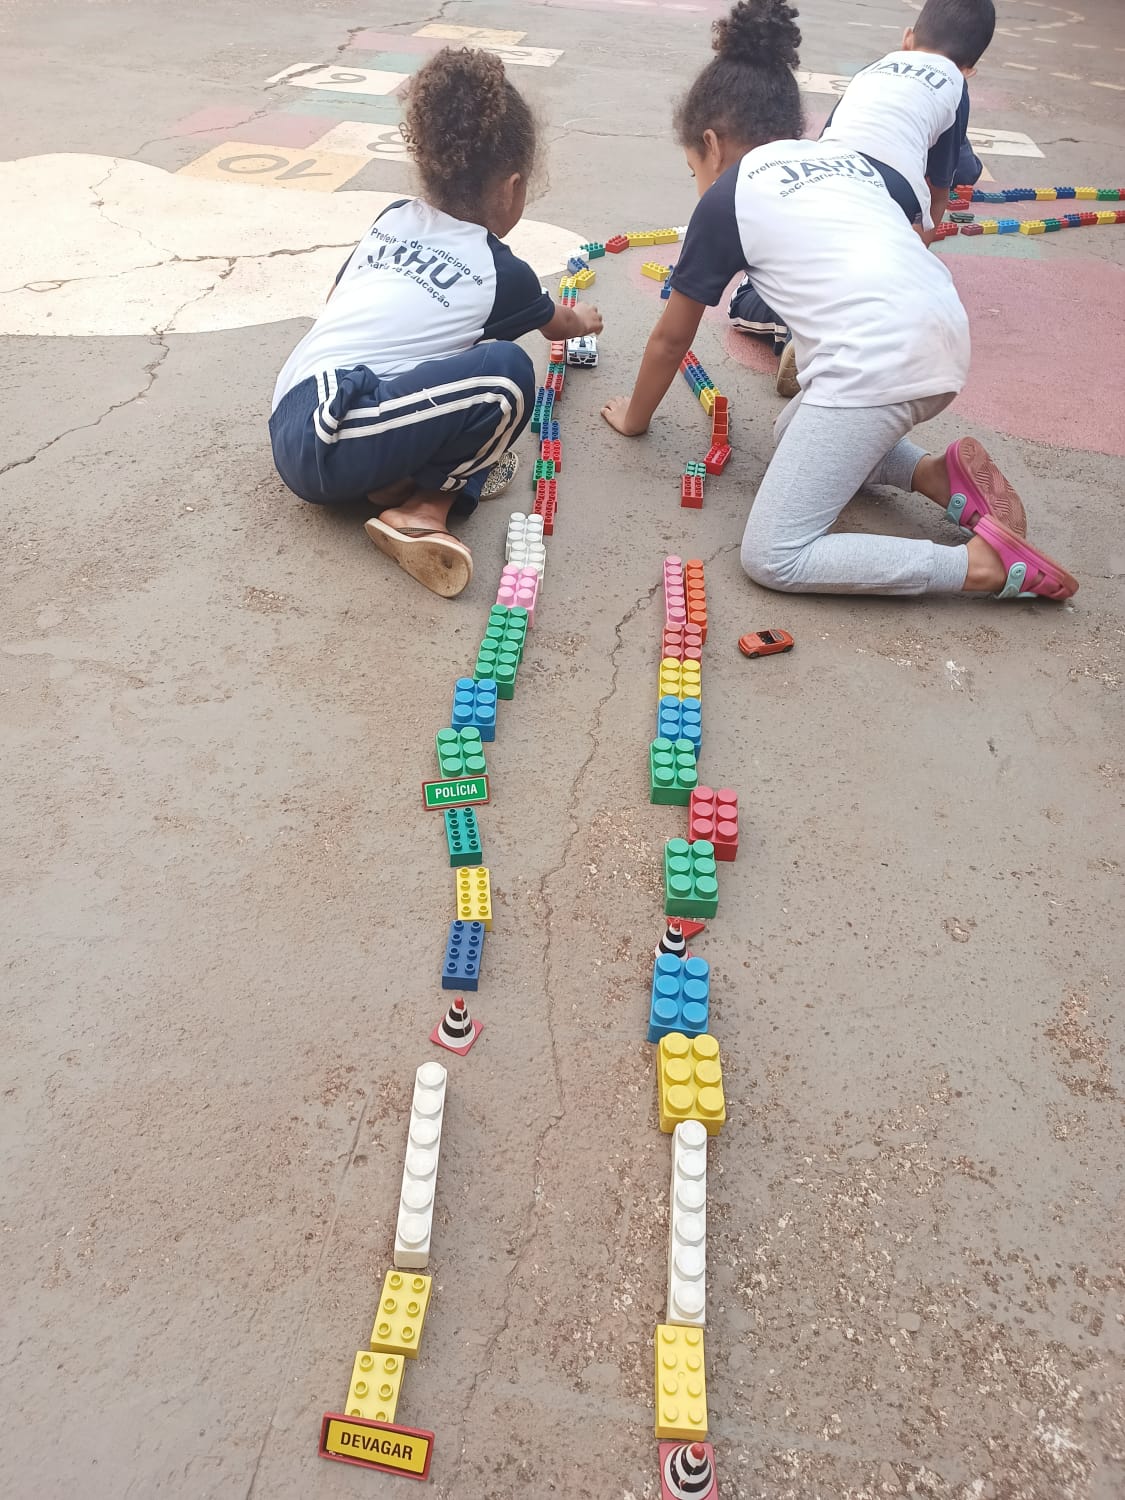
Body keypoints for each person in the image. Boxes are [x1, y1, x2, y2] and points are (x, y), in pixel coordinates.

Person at [601, 0, 1077, 602]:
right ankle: (935, 474)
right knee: (790, 432)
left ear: (711, 145)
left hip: (880, 366)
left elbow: (672, 339)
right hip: (940, 330)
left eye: (692, 166)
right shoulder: (841, 159)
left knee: (773, 555)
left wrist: (635, 419)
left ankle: (979, 568)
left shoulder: (725, 201)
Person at [269, 48, 602, 597]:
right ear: (512, 189)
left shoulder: (393, 218)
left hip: (295, 406)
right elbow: (557, 323)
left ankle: (388, 479)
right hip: (331, 433)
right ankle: (423, 509)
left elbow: (337, 297)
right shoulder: (500, 271)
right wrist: (584, 318)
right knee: (508, 374)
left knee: (457, 355)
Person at [733, 0, 994, 394]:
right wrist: (917, 254)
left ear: (907, 38)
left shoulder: (873, 70)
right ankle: (866, 314)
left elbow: (829, 137)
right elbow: (939, 189)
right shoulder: (955, 86)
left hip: (826, 177)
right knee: (875, 274)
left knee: (757, 291)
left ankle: (795, 324)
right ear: (969, 69)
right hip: (895, 190)